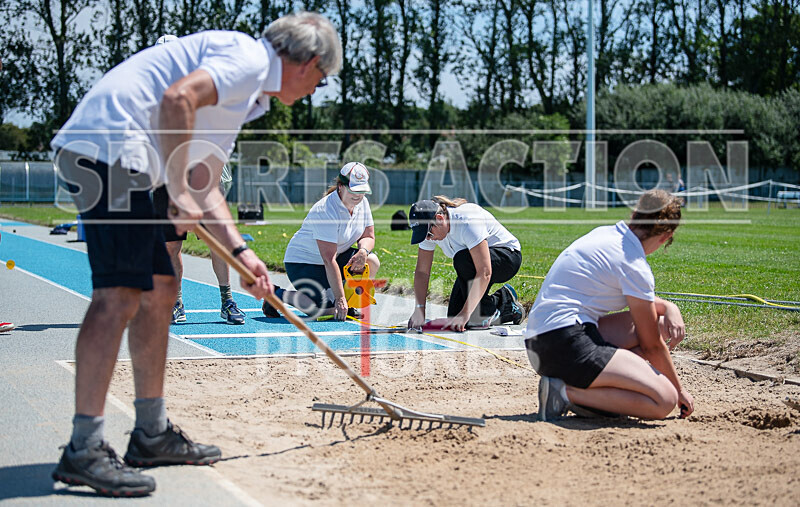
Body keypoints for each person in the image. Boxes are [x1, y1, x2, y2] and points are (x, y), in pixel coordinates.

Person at [50, 12, 342, 496]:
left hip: (134, 160)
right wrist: (180, 193)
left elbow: (205, 179)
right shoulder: (249, 59)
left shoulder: (248, 95)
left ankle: (151, 431)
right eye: (321, 79)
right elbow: (176, 99)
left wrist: (243, 254)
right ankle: (83, 447)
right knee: (119, 295)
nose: (316, 90)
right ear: (309, 63)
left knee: (162, 289)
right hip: (107, 150)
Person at [525, 189, 695, 422]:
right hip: (564, 343)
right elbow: (652, 345)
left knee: (661, 324)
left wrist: (669, 308)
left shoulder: (606, 235)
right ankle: (564, 393)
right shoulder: (634, 263)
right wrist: (680, 391)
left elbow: (645, 308)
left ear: (634, 213)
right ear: (666, 236)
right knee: (664, 399)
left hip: (541, 341)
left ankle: (596, 388)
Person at [263, 162, 379, 321]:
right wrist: (339, 299)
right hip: (304, 263)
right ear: (340, 186)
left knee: (372, 260)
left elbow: (368, 236)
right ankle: (275, 294)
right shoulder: (325, 210)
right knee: (325, 311)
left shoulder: (363, 203)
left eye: (362, 191)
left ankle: (348, 303)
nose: (358, 196)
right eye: (354, 190)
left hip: (335, 258)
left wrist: (362, 252)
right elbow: (328, 259)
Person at [406, 197, 524, 333]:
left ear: (439, 218)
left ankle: (496, 304)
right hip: (474, 264)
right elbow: (422, 272)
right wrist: (420, 309)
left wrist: (465, 314)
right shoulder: (431, 230)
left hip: (507, 258)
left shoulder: (466, 221)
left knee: (462, 259)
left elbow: (485, 271)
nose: (427, 238)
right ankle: (506, 307)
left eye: (428, 233)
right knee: (454, 317)